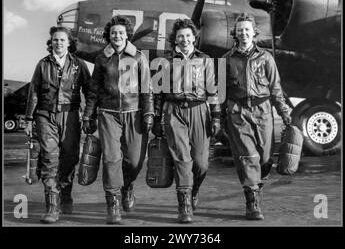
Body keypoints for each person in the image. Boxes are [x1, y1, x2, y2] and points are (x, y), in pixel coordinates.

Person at [82, 15, 154, 225]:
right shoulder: (101, 59)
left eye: (121, 32)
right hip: (108, 114)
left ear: (127, 34)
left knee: (134, 160)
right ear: (109, 35)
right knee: (112, 159)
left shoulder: (140, 58)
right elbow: (93, 91)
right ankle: (112, 204)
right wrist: (88, 115)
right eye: (113, 32)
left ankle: (127, 186)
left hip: (135, 113)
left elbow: (147, 90)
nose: (117, 35)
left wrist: (149, 113)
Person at [221, 13, 291, 220]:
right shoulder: (226, 59)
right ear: (235, 33)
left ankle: (257, 183)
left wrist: (285, 112)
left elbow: (276, 88)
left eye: (247, 29)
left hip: (263, 111)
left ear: (254, 33)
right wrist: (217, 118)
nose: (243, 33)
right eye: (240, 30)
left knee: (266, 157)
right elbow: (220, 92)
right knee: (248, 156)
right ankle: (252, 201)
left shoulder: (266, 58)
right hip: (238, 111)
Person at [153, 18, 221, 223]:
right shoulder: (164, 61)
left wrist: (216, 116)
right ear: (175, 39)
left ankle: (194, 190)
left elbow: (213, 91)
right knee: (182, 159)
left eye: (188, 35)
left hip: (199, 110)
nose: (184, 39)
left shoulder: (206, 60)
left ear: (194, 37)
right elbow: (158, 93)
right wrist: (157, 118)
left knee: (201, 164)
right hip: (173, 111)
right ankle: (184, 206)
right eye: (180, 36)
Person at [24, 26, 91, 224]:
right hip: (45, 116)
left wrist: (89, 116)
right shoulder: (42, 64)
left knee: (69, 159)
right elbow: (34, 92)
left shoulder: (79, 64)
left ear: (69, 42)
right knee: (50, 160)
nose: (58, 43)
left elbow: (89, 91)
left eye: (62, 40)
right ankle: (52, 207)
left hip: (71, 116)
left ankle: (66, 195)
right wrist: (28, 119)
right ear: (51, 42)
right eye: (55, 40)